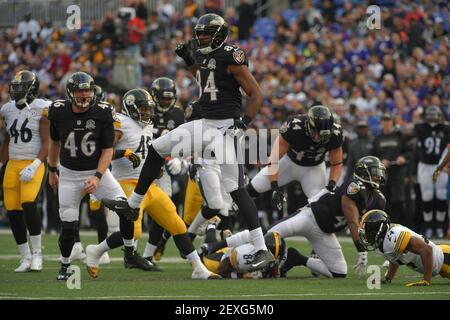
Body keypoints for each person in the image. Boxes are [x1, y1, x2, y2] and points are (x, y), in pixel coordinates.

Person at [102, 13, 275, 271]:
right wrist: (188, 60)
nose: (201, 37)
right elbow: (205, 80)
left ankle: (261, 248)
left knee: (235, 188)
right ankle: (134, 203)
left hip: (226, 127)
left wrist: (243, 123)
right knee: (158, 148)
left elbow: (256, 94)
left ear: (219, 34)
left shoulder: (232, 55)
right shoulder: (204, 55)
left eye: (206, 33)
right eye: (200, 33)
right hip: (205, 123)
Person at [88, 88, 219, 279]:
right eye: (143, 108)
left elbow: (148, 155)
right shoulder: (120, 123)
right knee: (135, 231)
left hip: (147, 184)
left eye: (148, 109)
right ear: (130, 106)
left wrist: (155, 169)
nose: (147, 113)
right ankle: (97, 250)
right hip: (126, 182)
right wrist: (122, 154)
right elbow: (103, 152)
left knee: (176, 223)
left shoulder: (147, 126)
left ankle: (198, 268)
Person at [47, 72, 147, 280]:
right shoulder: (58, 111)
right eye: (80, 90)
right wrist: (52, 170)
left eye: (88, 90)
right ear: (70, 92)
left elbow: (107, 150)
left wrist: (97, 176)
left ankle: (129, 253)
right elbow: (54, 143)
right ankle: (65, 266)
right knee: (68, 227)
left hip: (96, 172)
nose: (84, 94)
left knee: (128, 211)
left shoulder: (103, 112)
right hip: (69, 174)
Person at [271, 156, 386, 279]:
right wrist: (361, 251)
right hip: (309, 218)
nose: (379, 177)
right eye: (375, 173)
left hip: (324, 232)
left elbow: (378, 226)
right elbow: (353, 222)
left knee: (339, 272)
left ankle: (295, 258)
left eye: (380, 173)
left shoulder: (378, 199)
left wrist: (387, 253)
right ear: (363, 173)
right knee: (269, 234)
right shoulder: (353, 187)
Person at [247, 105, 344, 211]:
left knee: (318, 204)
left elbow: (337, 163)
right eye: (316, 133)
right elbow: (274, 158)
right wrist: (274, 186)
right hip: (289, 163)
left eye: (324, 135)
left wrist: (332, 183)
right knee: (255, 186)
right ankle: (233, 210)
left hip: (313, 169)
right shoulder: (294, 127)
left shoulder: (335, 133)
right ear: (308, 126)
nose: (319, 138)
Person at [0, 70, 50, 272]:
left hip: (33, 162)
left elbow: (48, 142)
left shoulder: (42, 108)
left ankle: (38, 254)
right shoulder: (7, 109)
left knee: (29, 204)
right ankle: (25, 256)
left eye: (20, 87)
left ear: (31, 90)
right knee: (12, 210)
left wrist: (36, 164)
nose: (15, 90)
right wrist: (1, 164)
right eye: (15, 87)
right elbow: (7, 140)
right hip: (13, 163)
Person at [359, 209, 450, 286]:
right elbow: (395, 257)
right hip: (440, 264)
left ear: (378, 230)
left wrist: (426, 280)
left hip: (445, 258)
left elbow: (427, 250)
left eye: (368, 233)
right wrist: (388, 278)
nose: (366, 236)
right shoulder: (384, 242)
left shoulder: (394, 235)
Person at [414, 106, 450, 238]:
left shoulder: (445, 128)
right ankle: (429, 227)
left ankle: (440, 227)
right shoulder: (420, 127)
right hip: (425, 165)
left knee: (441, 195)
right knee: (427, 196)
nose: (433, 119)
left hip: (440, 165)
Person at [373, 113, 410, 225]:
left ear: (392, 122)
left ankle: (399, 225)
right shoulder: (377, 139)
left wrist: (403, 157)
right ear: (381, 123)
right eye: (384, 121)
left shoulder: (400, 137)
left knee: (398, 200)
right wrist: (380, 161)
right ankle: (386, 224)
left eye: (388, 120)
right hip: (383, 174)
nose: (386, 123)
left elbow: (410, 152)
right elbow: (372, 156)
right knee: (384, 199)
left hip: (398, 172)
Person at [199, 231, 286, 279]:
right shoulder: (244, 255)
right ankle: (211, 226)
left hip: (233, 250)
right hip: (220, 259)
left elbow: (274, 273)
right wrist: (240, 276)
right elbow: (221, 271)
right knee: (202, 260)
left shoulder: (278, 256)